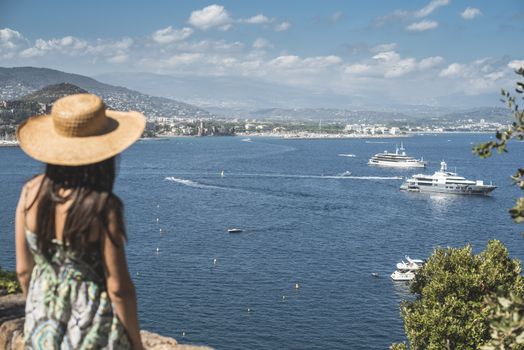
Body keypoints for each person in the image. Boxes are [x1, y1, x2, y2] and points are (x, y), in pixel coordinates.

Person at [15, 93, 146, 349]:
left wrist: (39, 307)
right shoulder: (103, 206)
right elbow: (119, 289)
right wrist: (137, 344)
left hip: (41, 324)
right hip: (93, 328)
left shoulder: (30, 192)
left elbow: (23, 270)